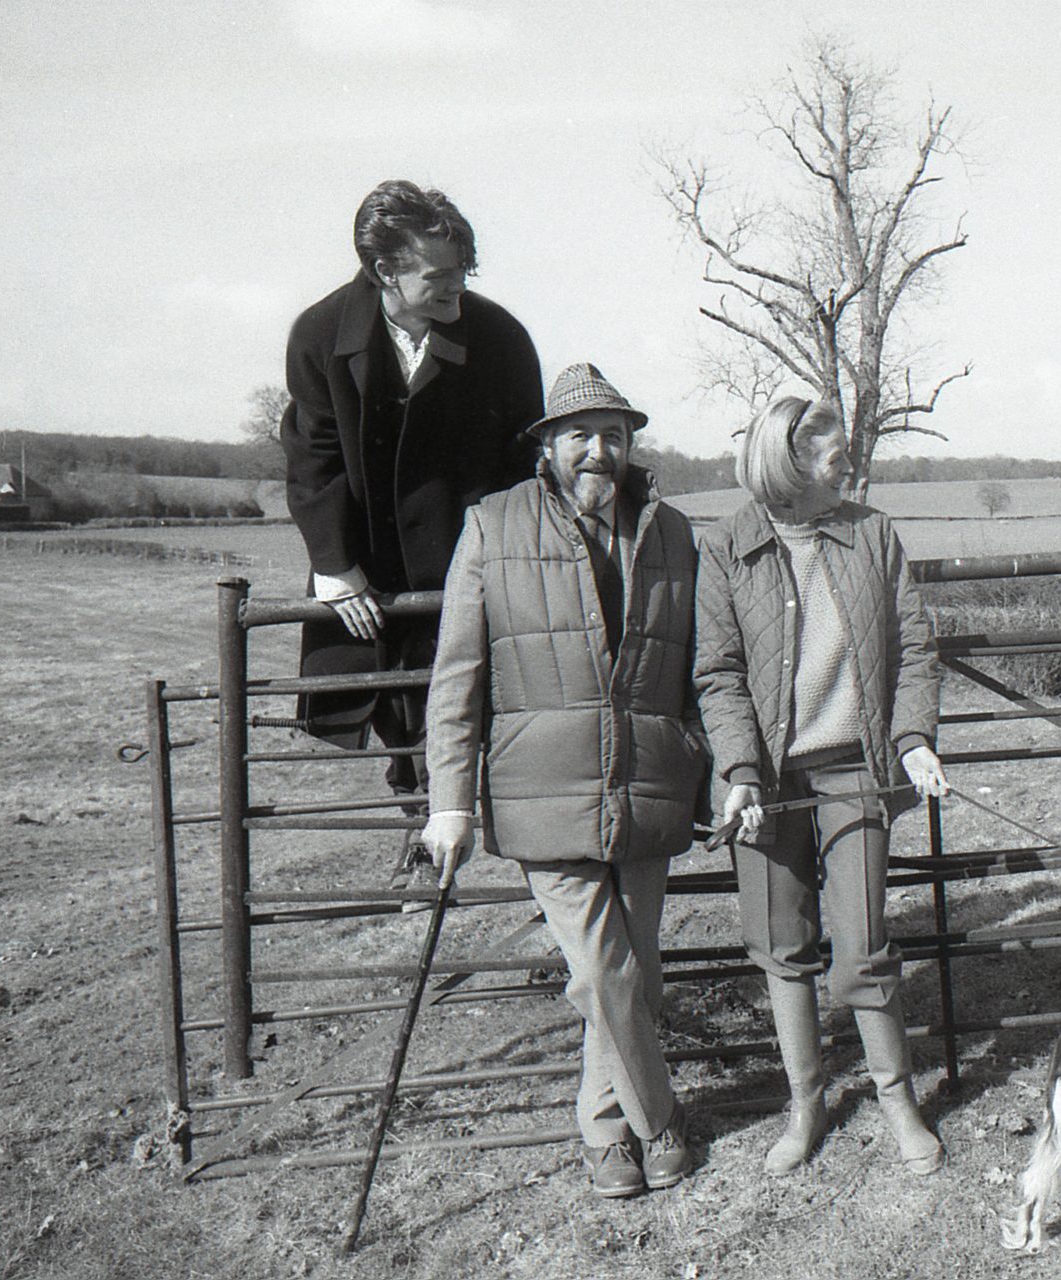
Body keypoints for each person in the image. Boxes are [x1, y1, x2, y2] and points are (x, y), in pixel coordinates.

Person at [421, 364, 706, 1198]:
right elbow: (457, 673)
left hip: (649, 782)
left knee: (636, 971)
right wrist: (449, 799)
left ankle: (610, 1133)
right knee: (602, 972)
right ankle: (657, 1122)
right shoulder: (491, 527)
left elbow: (702, 668)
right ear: (547, 445)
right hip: (541, 789)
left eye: (615, 434)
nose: (599, 450)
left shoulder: (674, 532)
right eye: (580, 434)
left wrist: (708, 764)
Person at [694, 394, 951, 1178]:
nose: (853, 468)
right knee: (782, 947)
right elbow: (718, 673)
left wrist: (912, 742)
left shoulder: (872, 532)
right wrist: (739, 770)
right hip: (765, 783)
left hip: (858, 771)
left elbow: (913, 645)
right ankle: (807, 1106)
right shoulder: (726, 548)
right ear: (790, 462)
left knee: (863, 944)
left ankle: (896, 1098)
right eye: (838, 459)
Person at [281, 180, 543, 889]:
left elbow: (523, 465)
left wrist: (496, 563)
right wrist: (335, 566)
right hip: (364, 562)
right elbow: (313, 455)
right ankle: (415, 822)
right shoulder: (319, 335)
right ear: (383, 271)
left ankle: (441, 842)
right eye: (438, 273)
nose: (457, 283)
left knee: (453, 698)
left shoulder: (501, 340)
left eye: (463, 268)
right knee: (385, 703)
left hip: (466, 557)